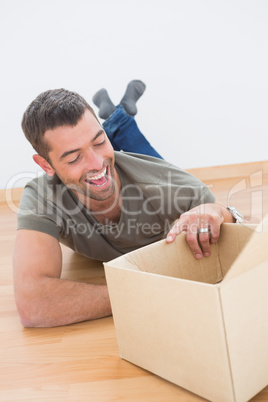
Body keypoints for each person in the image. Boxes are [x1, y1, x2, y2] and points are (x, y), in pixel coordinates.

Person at [13, 80, 239, 328]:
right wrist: (145, 293)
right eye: (75, 157)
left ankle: (118, 118)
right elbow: (34, 305)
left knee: (140, 157)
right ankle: (118, 116)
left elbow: (231, 223)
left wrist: (216, 212)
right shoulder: (42, 196)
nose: (96, 162)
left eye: (100, 141)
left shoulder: (166, 186)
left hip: (147, 179)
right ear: (46, 165)